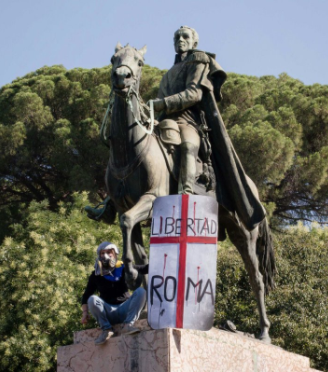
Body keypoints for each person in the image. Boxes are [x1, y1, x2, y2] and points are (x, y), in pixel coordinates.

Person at [149, 26, 266, 230]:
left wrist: (161, 104)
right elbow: (159, 105)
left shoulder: (199, 60)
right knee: (137, 145)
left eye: (185, 36)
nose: (180, 40)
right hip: (165, 120)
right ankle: (112, 203)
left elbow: (194, 94)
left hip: (189, 120)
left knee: (187, 145)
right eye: (176, 37)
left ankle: (186, 194)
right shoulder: (167, 75)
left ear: (194, 43)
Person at [80, 241, 148, 345]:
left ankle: (128, 325)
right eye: (102, 253)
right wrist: (85, 313)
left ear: (115, 254)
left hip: (125, 308)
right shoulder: (96, 275)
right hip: (108, 311)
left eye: (108, 252)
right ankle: (106, 330)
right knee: (92, 299)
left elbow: (144, 268)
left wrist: (163, 261)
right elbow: (86, 295)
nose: (105, 256)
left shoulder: (124, 268)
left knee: (141, 291)